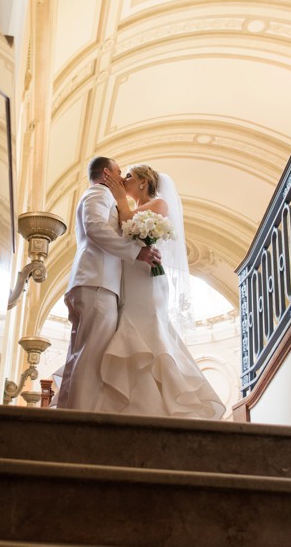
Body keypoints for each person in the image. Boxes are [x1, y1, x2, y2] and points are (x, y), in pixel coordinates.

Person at [99, 164, 225, 419]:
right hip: (131, 274)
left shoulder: (159, 205)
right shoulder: (131, 206)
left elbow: (127, 224)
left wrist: (120, 198)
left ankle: (167, 399)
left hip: (147, 276)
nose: (123, 180)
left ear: (144, 182)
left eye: (130, 177)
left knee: (149, 325)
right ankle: (138, 398)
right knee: (130, 321)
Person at [56, 156, 162, 410]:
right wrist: (135, 252)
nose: (122, 178)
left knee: (81, 352)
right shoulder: (100, 193)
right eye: (119, 172)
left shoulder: (104, 196)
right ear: (106, 174)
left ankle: (68, 410)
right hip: (97, 281)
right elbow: (95, 228)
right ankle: (80, 417)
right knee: (92, 356)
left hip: (94, 280)